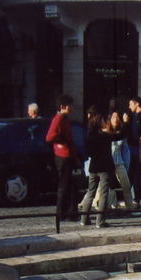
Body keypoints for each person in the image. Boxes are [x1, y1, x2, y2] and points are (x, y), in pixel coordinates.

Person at [79, 106, 124, 228]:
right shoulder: (105, 135)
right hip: (105, 167)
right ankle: (100, 221)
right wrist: (125, 123)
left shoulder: (89, 135)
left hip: (94, 166)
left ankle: (84, 218)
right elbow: (119, 135)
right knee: (103, 194)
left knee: (90, 192)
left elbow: (88, 151)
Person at [45, 94, 79, 222]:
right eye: (69, 106)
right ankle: (61, 213)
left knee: (69, 185)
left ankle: (68, 212)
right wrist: (61, 141)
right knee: (64, 185)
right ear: (62, 107)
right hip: (63, 156)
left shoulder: (63, 118)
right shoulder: (58, 119)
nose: (71, 108)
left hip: (66, 155)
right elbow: (49, 137)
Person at [108, 110, 136, 208]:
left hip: (119, 162)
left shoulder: (121, 132)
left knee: (126, 185)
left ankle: (130, 205)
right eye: (113, 117)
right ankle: (108, 204)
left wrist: (126, 164)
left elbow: (126, 151)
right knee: (103, 186)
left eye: (117, 117)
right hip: (108, 163)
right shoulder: (106, 132)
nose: (115, 119)